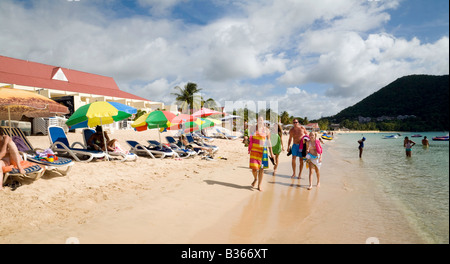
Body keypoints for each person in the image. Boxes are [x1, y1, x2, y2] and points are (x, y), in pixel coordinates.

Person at [248, 116, 274, 191]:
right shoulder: (253, 128)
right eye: (259, 120)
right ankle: (255, 178)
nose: (260, 121)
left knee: (261, 168)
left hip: (263, 151)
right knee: (254, 168)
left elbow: (269, 142)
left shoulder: (267, 130)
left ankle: (259, 185)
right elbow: (250, 138)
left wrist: (271, 153)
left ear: (263, 121)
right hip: (254, 150)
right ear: (257, 120)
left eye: (261, 120)